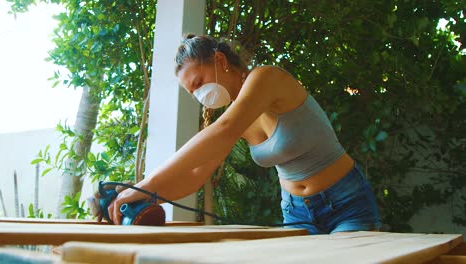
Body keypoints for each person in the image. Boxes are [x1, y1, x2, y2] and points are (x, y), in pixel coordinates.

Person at [108, 34, 382, 234]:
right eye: (193, 93)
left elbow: (224, 129)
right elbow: (195, 177)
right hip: (296, 211)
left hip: (345, 202)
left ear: (219, 60)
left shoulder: (266, 78)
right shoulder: (236, 115)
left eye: (199, 83)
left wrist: (146, 184)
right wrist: (139, 194)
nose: (200, 96)